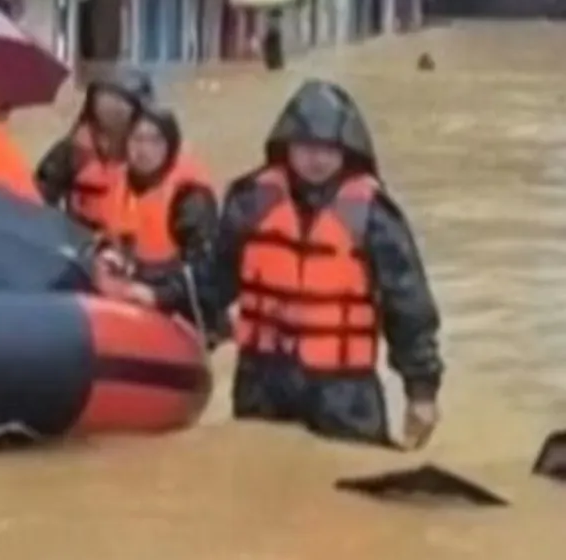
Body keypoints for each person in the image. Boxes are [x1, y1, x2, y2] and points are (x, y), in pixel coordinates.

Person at [210, 79, 444, 447]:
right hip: (262, 382)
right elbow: (213, 283)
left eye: (328, 149)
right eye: (305, 147)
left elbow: (408, 305)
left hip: (344, 391)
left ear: (347, 151)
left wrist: (422, 391)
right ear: (286, 147)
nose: (316, 159)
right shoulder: (250, 202)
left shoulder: (374, 214)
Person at [92, 106, 220, 332]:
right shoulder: (117, 183)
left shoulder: (190, 197)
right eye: (137, 140)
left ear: (170, 146)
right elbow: (106, 235)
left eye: (155, 141)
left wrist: (158, 295)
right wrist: (105, 255)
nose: (144, 150)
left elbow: (207, 273)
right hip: (131, 297)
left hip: (182, 310)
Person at [35, 69, 154, 230]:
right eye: (104, 107)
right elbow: (36, 199)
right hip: (81, 242)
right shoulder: (74, 150)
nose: (111, 114)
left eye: (119, 110)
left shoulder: (154, 154)